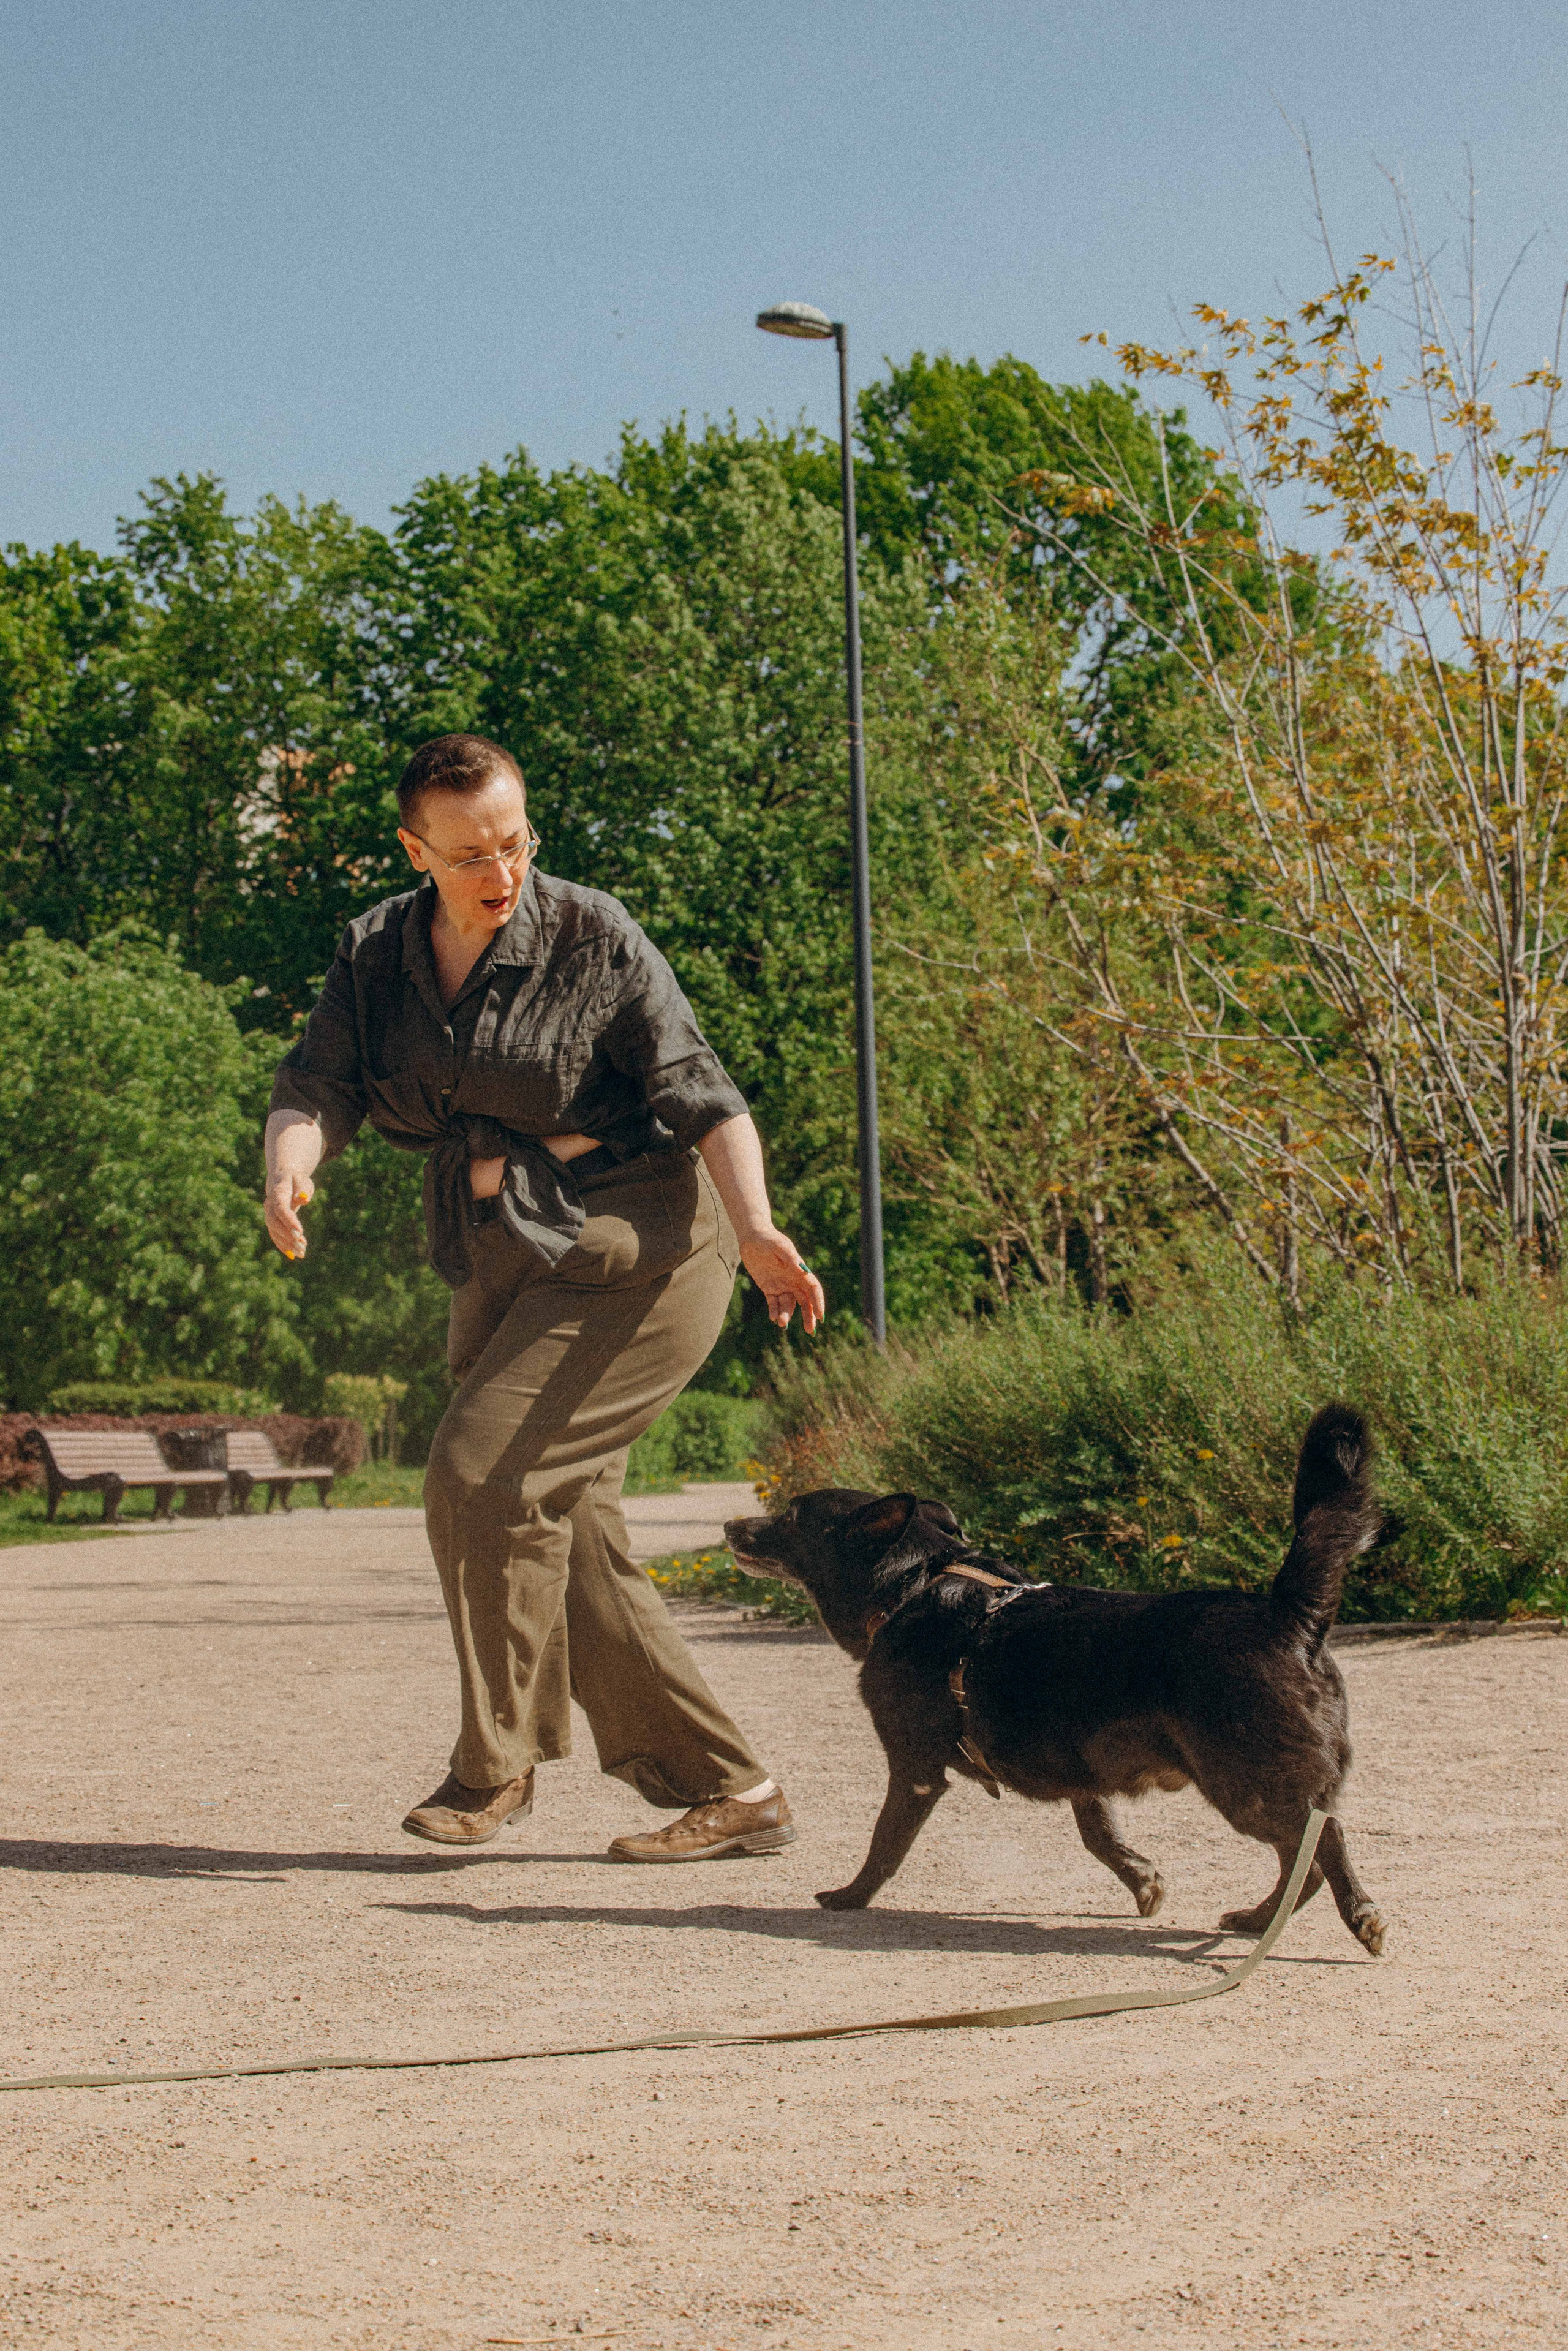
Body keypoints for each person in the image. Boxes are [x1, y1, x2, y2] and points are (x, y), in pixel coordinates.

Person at [263, 733, 823, 1860]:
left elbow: (703, 1092)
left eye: (515, 843)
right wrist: (291, 1162)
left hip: (641, 1246)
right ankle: (734, 1786)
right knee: (561, 1520)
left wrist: (759, 1225)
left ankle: (495, 1766)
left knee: (485, 1475)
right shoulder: (377, 955)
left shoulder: (592, 933)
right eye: (470, 853)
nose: (500, 872)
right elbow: (315, 1084)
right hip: (509, 1252)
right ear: (417, 848)